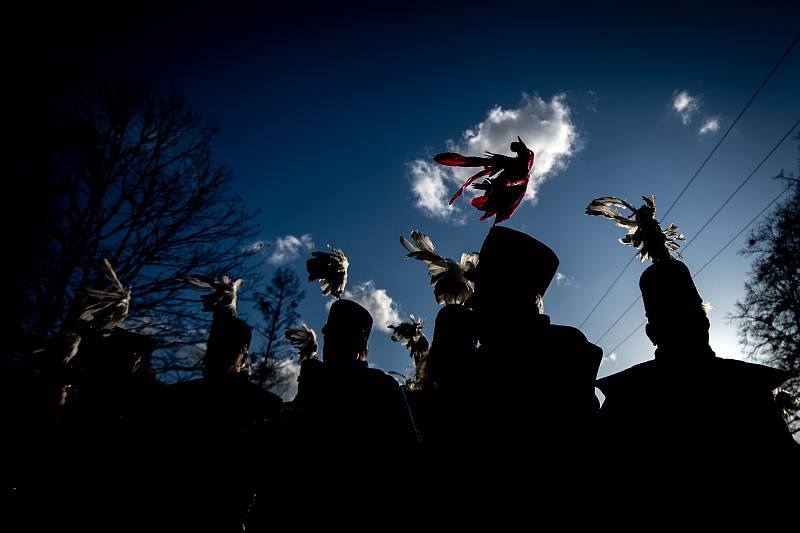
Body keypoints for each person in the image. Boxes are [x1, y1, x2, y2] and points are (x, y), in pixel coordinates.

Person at [596, 258, 799, 486]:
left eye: (693, 315)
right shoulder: (627, 396)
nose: (693, 324)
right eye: (676, 318)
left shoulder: (747, 385)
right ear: (653, 332)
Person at [467, 226, 602, 469]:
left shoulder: (564, 351)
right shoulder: (478, 361)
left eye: (484, 289)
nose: (471, 301)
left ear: (510, 295)